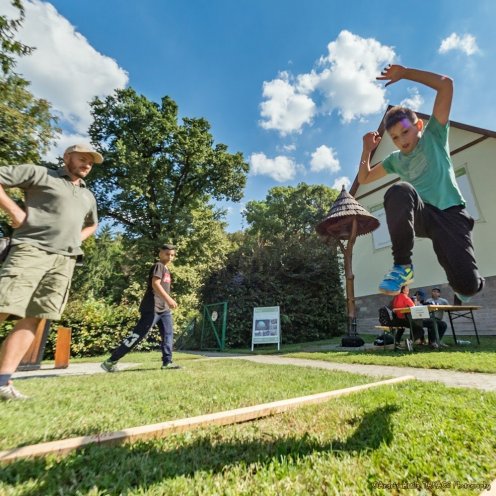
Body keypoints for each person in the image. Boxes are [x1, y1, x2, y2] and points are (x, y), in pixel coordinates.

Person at [358, 65, 484, 303]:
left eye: (404, 132)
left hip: (451, 214)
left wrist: (405, 73)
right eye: (394, 137)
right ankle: (402, 265)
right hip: (423, 215)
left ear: (418, 127)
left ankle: (466, 285)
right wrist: (366, 150)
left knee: (468, 286)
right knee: (399, 190)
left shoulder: (433, 136)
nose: (401, 141)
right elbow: (364, 178)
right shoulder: (395, 160)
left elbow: (446, 84)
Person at [0, 144, 102, 400]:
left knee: (35, 316)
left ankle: (2, 382)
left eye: (90, 162)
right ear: (67, 157)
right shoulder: (41, 174)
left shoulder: (88, 196)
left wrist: (77, 240)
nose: (86, 164)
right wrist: (15, 212)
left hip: (64, 261)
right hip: (31, 249)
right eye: (82, 159)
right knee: (3, 305)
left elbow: (93, 224)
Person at [101, 244, 181, 372]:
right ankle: (111, 361)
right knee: (138, 335)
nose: (170, 257)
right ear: (160, 253)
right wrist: (169, 299)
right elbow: (155, 284)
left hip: (164, 309)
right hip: (152, 307)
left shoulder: (166, 270)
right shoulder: (158, 266)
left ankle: (167, 362)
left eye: (172, 255)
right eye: (167, 254)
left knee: (168, 334)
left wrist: (167, 302)